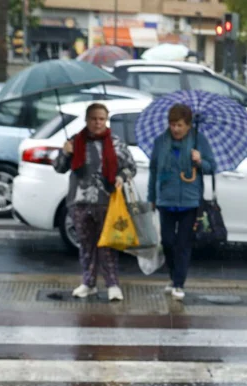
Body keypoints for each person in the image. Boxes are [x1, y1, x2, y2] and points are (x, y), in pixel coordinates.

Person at [53, 102, 136, 302]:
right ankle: (88, 283)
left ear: (106, 120)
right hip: (79, 201)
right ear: (87, 120)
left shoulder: (115, 143)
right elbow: (59, 167)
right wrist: (65, 152)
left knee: (107, 245)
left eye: (101, 119)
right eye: (93, 119)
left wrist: (121, 177)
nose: (97, 123)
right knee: (86, 244)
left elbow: (131, 167)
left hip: (107, 201)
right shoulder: (75, 141)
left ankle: (113, 285)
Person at [147, 102, 215, 301]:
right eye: (172, 124)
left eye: (179, 125)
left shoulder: (198, 141)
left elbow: (212, 167)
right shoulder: (161, 142)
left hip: (190, 201)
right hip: (166, 199)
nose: (175, 129)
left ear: (188, 125)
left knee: (183, 244)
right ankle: (173, 276)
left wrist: (200, 161)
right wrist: (151, 197)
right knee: (168, 242)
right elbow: (153, 171)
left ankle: (178, 283)